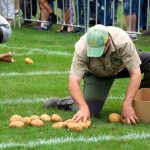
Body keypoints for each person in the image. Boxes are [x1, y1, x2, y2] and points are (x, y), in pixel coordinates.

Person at [44, 24, 150, 124]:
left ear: (108, 41)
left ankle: (141, 104)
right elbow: (73, 81)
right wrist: (83, 108)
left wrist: (127, 104)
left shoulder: (123, 41)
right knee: (90, 112)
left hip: (122, 66)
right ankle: (66, 102)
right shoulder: (81, 48)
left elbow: (136, 73)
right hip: (98, 73)